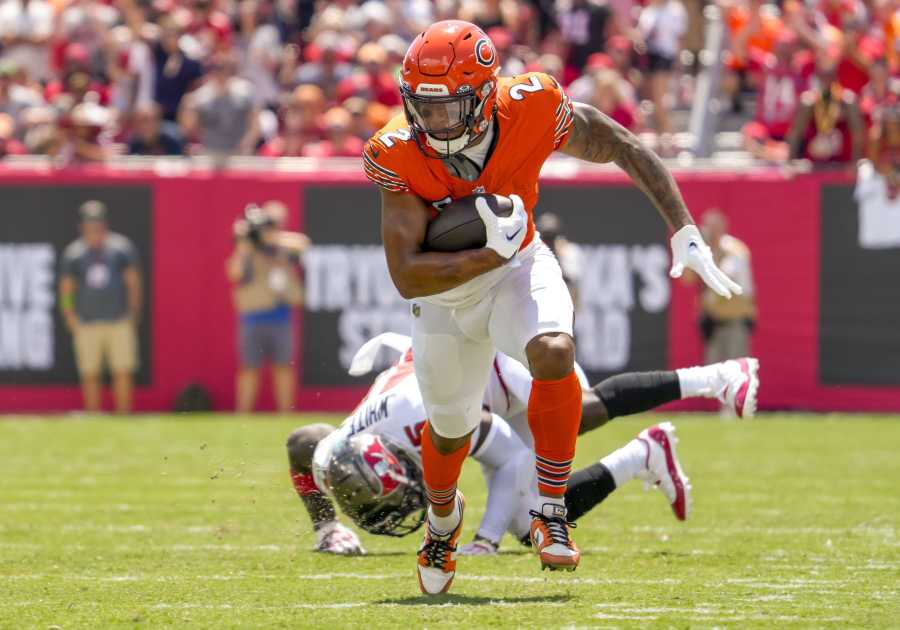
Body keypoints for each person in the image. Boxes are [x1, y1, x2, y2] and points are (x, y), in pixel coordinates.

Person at [362, 21, 743, 593]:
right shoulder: (394, 150)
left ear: (486, 94)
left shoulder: (533, 104)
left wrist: (684, 228)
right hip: (446, 294)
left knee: (554, 350)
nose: (432, 121)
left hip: (519, 266)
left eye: (448, 107)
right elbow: (408, 276)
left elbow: (621, 144)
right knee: (449, 433)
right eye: (424, 106)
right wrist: (489, 252)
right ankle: (443, 523)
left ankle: (552, 507)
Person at [286, 333, 760, 555]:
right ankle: (644, 453)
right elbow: (302, 441)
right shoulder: (341, 448)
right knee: (535, 521)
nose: (388, 510)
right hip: (459, 385)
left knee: (573, 417)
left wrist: (484, 542)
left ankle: (717, 376)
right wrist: (326, 526)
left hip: (492, 364)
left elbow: (509, 455)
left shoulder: (424, 420)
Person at [59, 201, 142, 414]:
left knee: (122, 370)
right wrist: (69, 314)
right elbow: (67, 289)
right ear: (82, 226)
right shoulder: (74, 253)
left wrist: (132, 312)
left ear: (104, 224)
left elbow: (133, 282)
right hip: (87, 321)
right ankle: (93, 415)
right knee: (89, 372)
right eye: (89, 224)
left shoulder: (120, 248)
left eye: (97, 223)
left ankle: (124, 414)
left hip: (117, 319)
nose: (93, 228)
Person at [226, 202, 308, 413]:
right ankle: (242, 415)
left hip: (281, 317)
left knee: (283, 368)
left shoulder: (283, 246)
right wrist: (245, 242)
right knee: (249, 368)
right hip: (252, 317)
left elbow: (304, 244)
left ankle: (285, 413)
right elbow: (233, 273)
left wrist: (271, 237)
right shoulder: (247, 249)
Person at [683, 210, 757, 380]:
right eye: (708, 228)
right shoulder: (704, 252)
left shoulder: (734, 249)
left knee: (736, 369)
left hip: (735, 319)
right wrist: (693, 255)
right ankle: (723, 406)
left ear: (723, 228)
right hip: (713, 320)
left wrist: (710, 256)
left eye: (714, 228)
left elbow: (723, 278)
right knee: (715, 372)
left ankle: (733, 407)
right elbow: (687, 279)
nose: (710, 232)